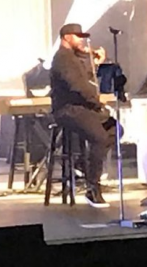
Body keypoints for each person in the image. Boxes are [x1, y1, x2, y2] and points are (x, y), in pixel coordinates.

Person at [49, 23, 116, 208]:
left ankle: (82, 164)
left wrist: (96, 63)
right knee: (100, 138)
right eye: (77, 36)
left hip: (81, 107)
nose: (82, 40)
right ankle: (92, 188)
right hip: (68, 109)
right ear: (66, 37)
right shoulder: (63, 58)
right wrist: (96, 102)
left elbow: (81, 76)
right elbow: (77, 86)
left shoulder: (72, 58)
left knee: (115, 129)